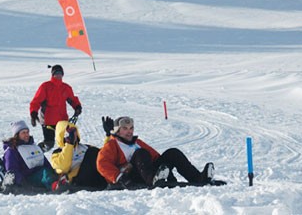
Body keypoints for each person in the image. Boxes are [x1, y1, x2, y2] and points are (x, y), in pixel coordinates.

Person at [97, 116, 226, 190]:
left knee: (172, 153)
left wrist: (167, 174)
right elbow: (102, 164)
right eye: (125, 129)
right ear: (117, 131)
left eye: (131, 128)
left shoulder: (137, 142)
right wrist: (120, 178)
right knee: (141, 153)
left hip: (149, 172)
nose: (129, 131)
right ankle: (153, 180)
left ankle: (199, 178)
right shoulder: (112, 145)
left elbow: (156, 157)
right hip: (131, 177)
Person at [30, 64, 82, 152]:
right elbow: (36, 101)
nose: (58, 75)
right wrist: (33, 113)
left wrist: (77, 107)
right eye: (56, 73)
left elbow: (72, 99)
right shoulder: (45, 86)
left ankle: (64, 161)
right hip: (48, 121)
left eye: (60, 73)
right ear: (52, 74)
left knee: (67, 143)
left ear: (62, 74)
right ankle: (34, 153)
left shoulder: (66, 88)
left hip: (62, 121)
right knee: (48, 144)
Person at [50, 121, 107, 192]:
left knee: (95, 153)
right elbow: (63, 167)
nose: (73, 135)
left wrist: (109, 136)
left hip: (95, 177)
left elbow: (104, 154)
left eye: (73, 131)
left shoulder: (85, 147)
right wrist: (69, 144)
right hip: (76, 182)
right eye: (68, 133)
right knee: (92, 153)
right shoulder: (57, 153)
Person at [2, 120, 57, 192]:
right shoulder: (12, 150)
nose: (26, 135)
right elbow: (12, 169)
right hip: (27, 179)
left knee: (50, 171)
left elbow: (45, 162)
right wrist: (22, 182)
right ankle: (55, 186)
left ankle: (59, 182)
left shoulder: (33, 146)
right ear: (17, 135)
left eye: (27, 132)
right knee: (45, 173)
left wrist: (53, 172)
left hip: (41, 174)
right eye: (23, 133)